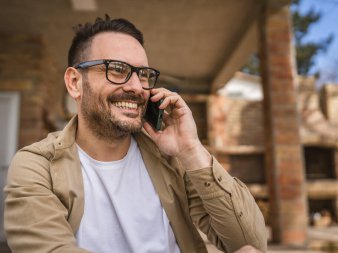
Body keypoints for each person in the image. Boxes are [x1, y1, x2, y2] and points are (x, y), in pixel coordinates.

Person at [4, 15, 266, 253]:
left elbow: (249, 242)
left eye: (143, 74)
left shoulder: (171, 160)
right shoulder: (38, 166)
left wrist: (191, 150)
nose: (136, 87)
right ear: (75, 83)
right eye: (117, 69)